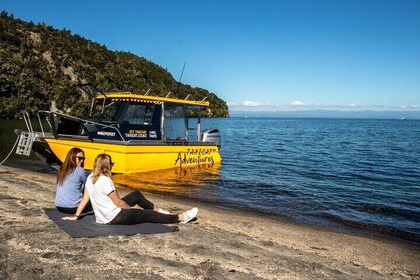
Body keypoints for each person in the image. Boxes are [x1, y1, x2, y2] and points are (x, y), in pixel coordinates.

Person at [62, 153, 198, 224]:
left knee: (136, 195)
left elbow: (85, 198)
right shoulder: (105, 180)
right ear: (106, 166)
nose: (113, 165)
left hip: (104, 217)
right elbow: (119, 203)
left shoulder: (91, 177)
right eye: (112, 164)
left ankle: (157, 209)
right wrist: (133, 211)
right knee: (150, 216)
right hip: (114, 217)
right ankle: (181, 217)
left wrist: (75, 216)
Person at [55, 147, 91, 214]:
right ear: (72, 157)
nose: (82, 161)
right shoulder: (80, 170)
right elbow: (88, 186)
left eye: (83, 159)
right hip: (73, 208)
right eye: (80, 158)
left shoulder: (61, 169)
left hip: (59, 206)